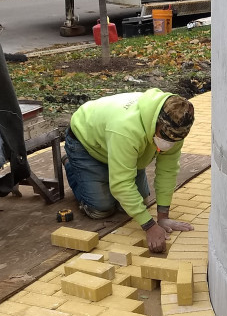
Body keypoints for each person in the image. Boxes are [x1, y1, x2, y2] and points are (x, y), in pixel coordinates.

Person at [65, 89, 195, 253]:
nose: (169, 144)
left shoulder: (175, 131)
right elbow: (121, 185)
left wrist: (163, 218)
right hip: (86, 144)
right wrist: (149, 226)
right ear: (155, 123)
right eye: (165, 136)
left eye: (174, 141)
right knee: (101, 209)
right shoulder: (125, 128)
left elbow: (167, 172)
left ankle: (110, 171)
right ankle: (72, 166)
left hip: (122, 148)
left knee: (137, 203)